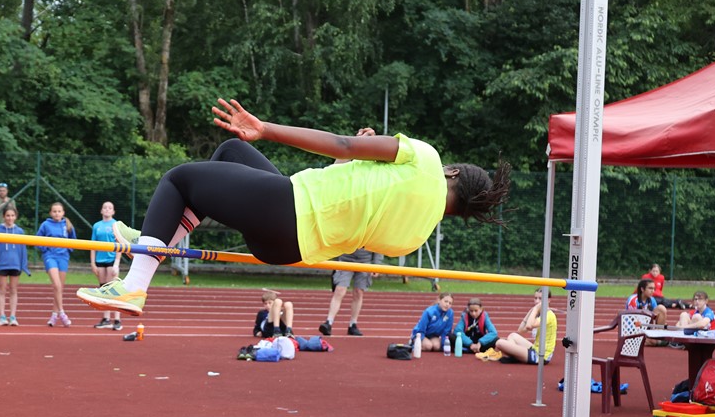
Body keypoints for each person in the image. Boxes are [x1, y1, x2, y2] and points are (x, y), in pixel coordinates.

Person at [76, 98, 511, 315]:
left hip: (289, 207)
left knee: (180, 179)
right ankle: (156, 241)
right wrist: (349, 166)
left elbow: (342, 144)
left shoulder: (427, 158)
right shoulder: (413, 239)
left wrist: (265, 128)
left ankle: (134, 284)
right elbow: (349, 209)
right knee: (231, 151)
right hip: (290, 247)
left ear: (454, 173)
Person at [319, 248, 382, 337]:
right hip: (346, 260)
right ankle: (329, 322)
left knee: (358, 292)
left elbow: (378, 246)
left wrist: (377, 264)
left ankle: (353, 324)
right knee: (340, 290)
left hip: (365, 262)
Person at [35, 202, 77, 328]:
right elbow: (37, 239)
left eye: (59, 211)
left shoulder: (67, 225)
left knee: (59, 288)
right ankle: (62, 313)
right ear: (50, 213)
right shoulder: (45, 224)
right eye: (54, 211)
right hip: (50, 256)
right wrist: (45, 249)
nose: (57, 213)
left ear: (63, 213)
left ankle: (54, 314)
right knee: (56, 284)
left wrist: (68, 249)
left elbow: (73, 240)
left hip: (63, 257)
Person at [0, 204, 30, 326]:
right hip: (2, 264)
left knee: (13, 290)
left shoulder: (19, 232)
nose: (10, 218)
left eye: (12, 215)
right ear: (3, 216)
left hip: (15, 265)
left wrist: (23, 266)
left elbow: (23, 250)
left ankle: (13, 316)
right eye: (8, 215)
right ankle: (2, 316)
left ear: (16, 217)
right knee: (2, 289)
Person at [493, 289, 556, 364]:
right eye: (535, 298)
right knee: (513, 336)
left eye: (540, 299)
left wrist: (535, 309)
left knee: (499, 343)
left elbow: (529, 326)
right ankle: (517, 357)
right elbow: (521, 330)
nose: (537, 301)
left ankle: (516, 357)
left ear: (548, 300)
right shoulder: (539, 313)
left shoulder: (549, 315)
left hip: (541, 356)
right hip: (535, 348)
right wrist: (531, 311)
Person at [90, 201, 124, 331]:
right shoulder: (97, 226)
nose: (107, 209)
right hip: (100, 261)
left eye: (110, 208)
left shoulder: (116, 225)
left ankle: (117, 319)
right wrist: (93, 263)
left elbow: (120, 245)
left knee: (113, 290)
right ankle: (106, 318)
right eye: (105, 207)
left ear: (113, 211)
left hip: (111, 260)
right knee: (103, 290)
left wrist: (117, 263)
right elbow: (92, 245)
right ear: (101, 210)